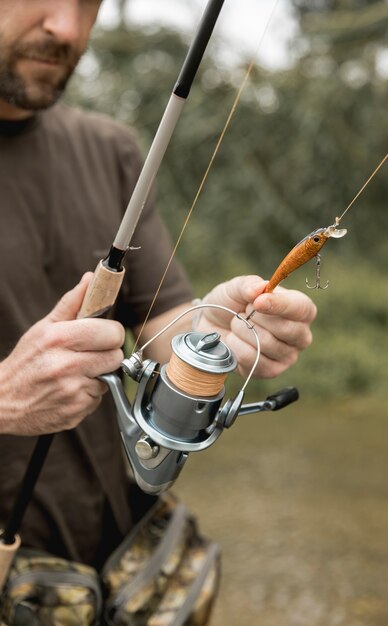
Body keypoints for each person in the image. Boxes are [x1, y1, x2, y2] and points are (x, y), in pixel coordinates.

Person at [0, 0, 317, 569]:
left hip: (105, 563)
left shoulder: (113, 153)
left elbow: (161, 331)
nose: (68, 28)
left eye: (89, 2)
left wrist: (216, 328)